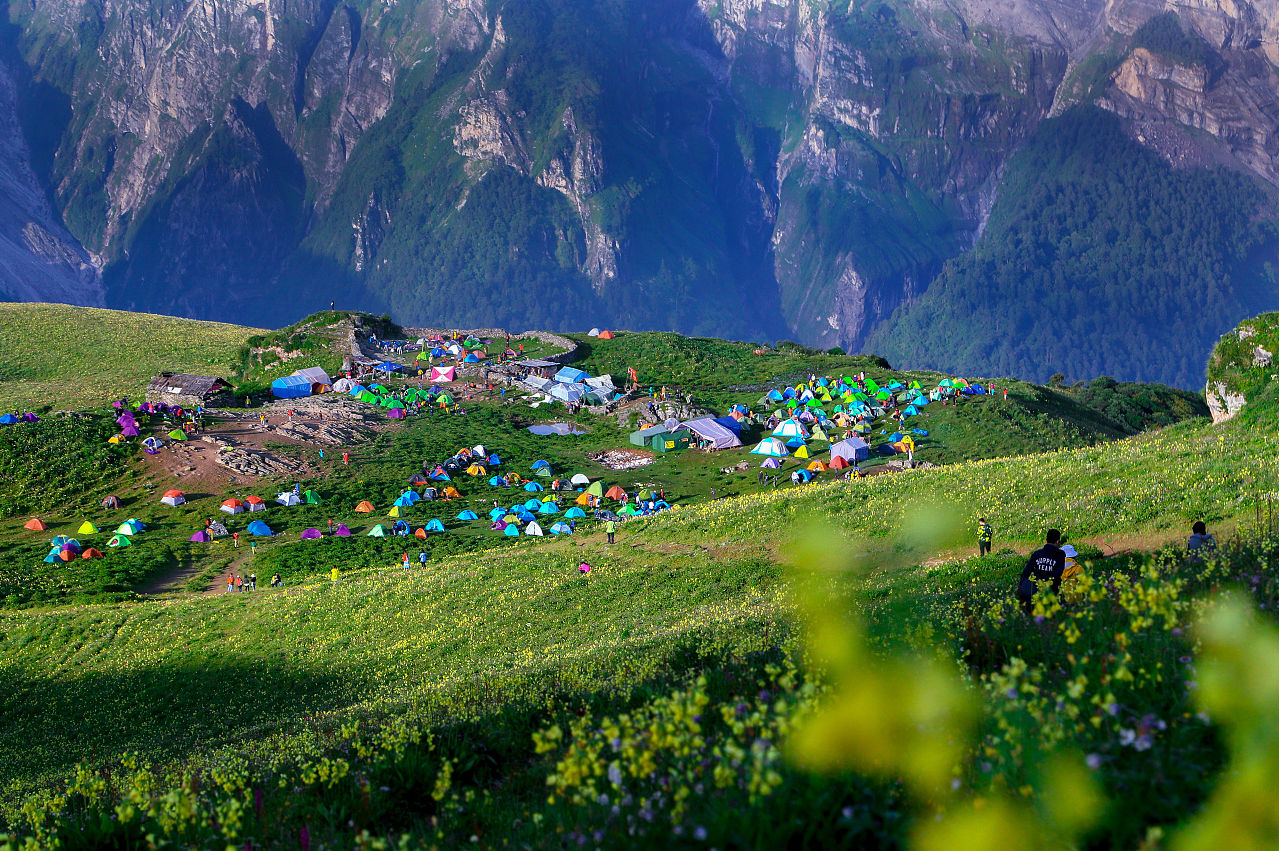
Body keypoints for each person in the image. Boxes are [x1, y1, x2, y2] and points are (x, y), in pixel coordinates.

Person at [1017, 529, 1066, 615]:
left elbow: (1026, 572)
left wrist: (1021, 585)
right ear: (1057, 542)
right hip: (1050, 591)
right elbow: (1058, 573)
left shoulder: (1037, 554)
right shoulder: (1060, 555)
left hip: (1034, 590)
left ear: (1046, 541)